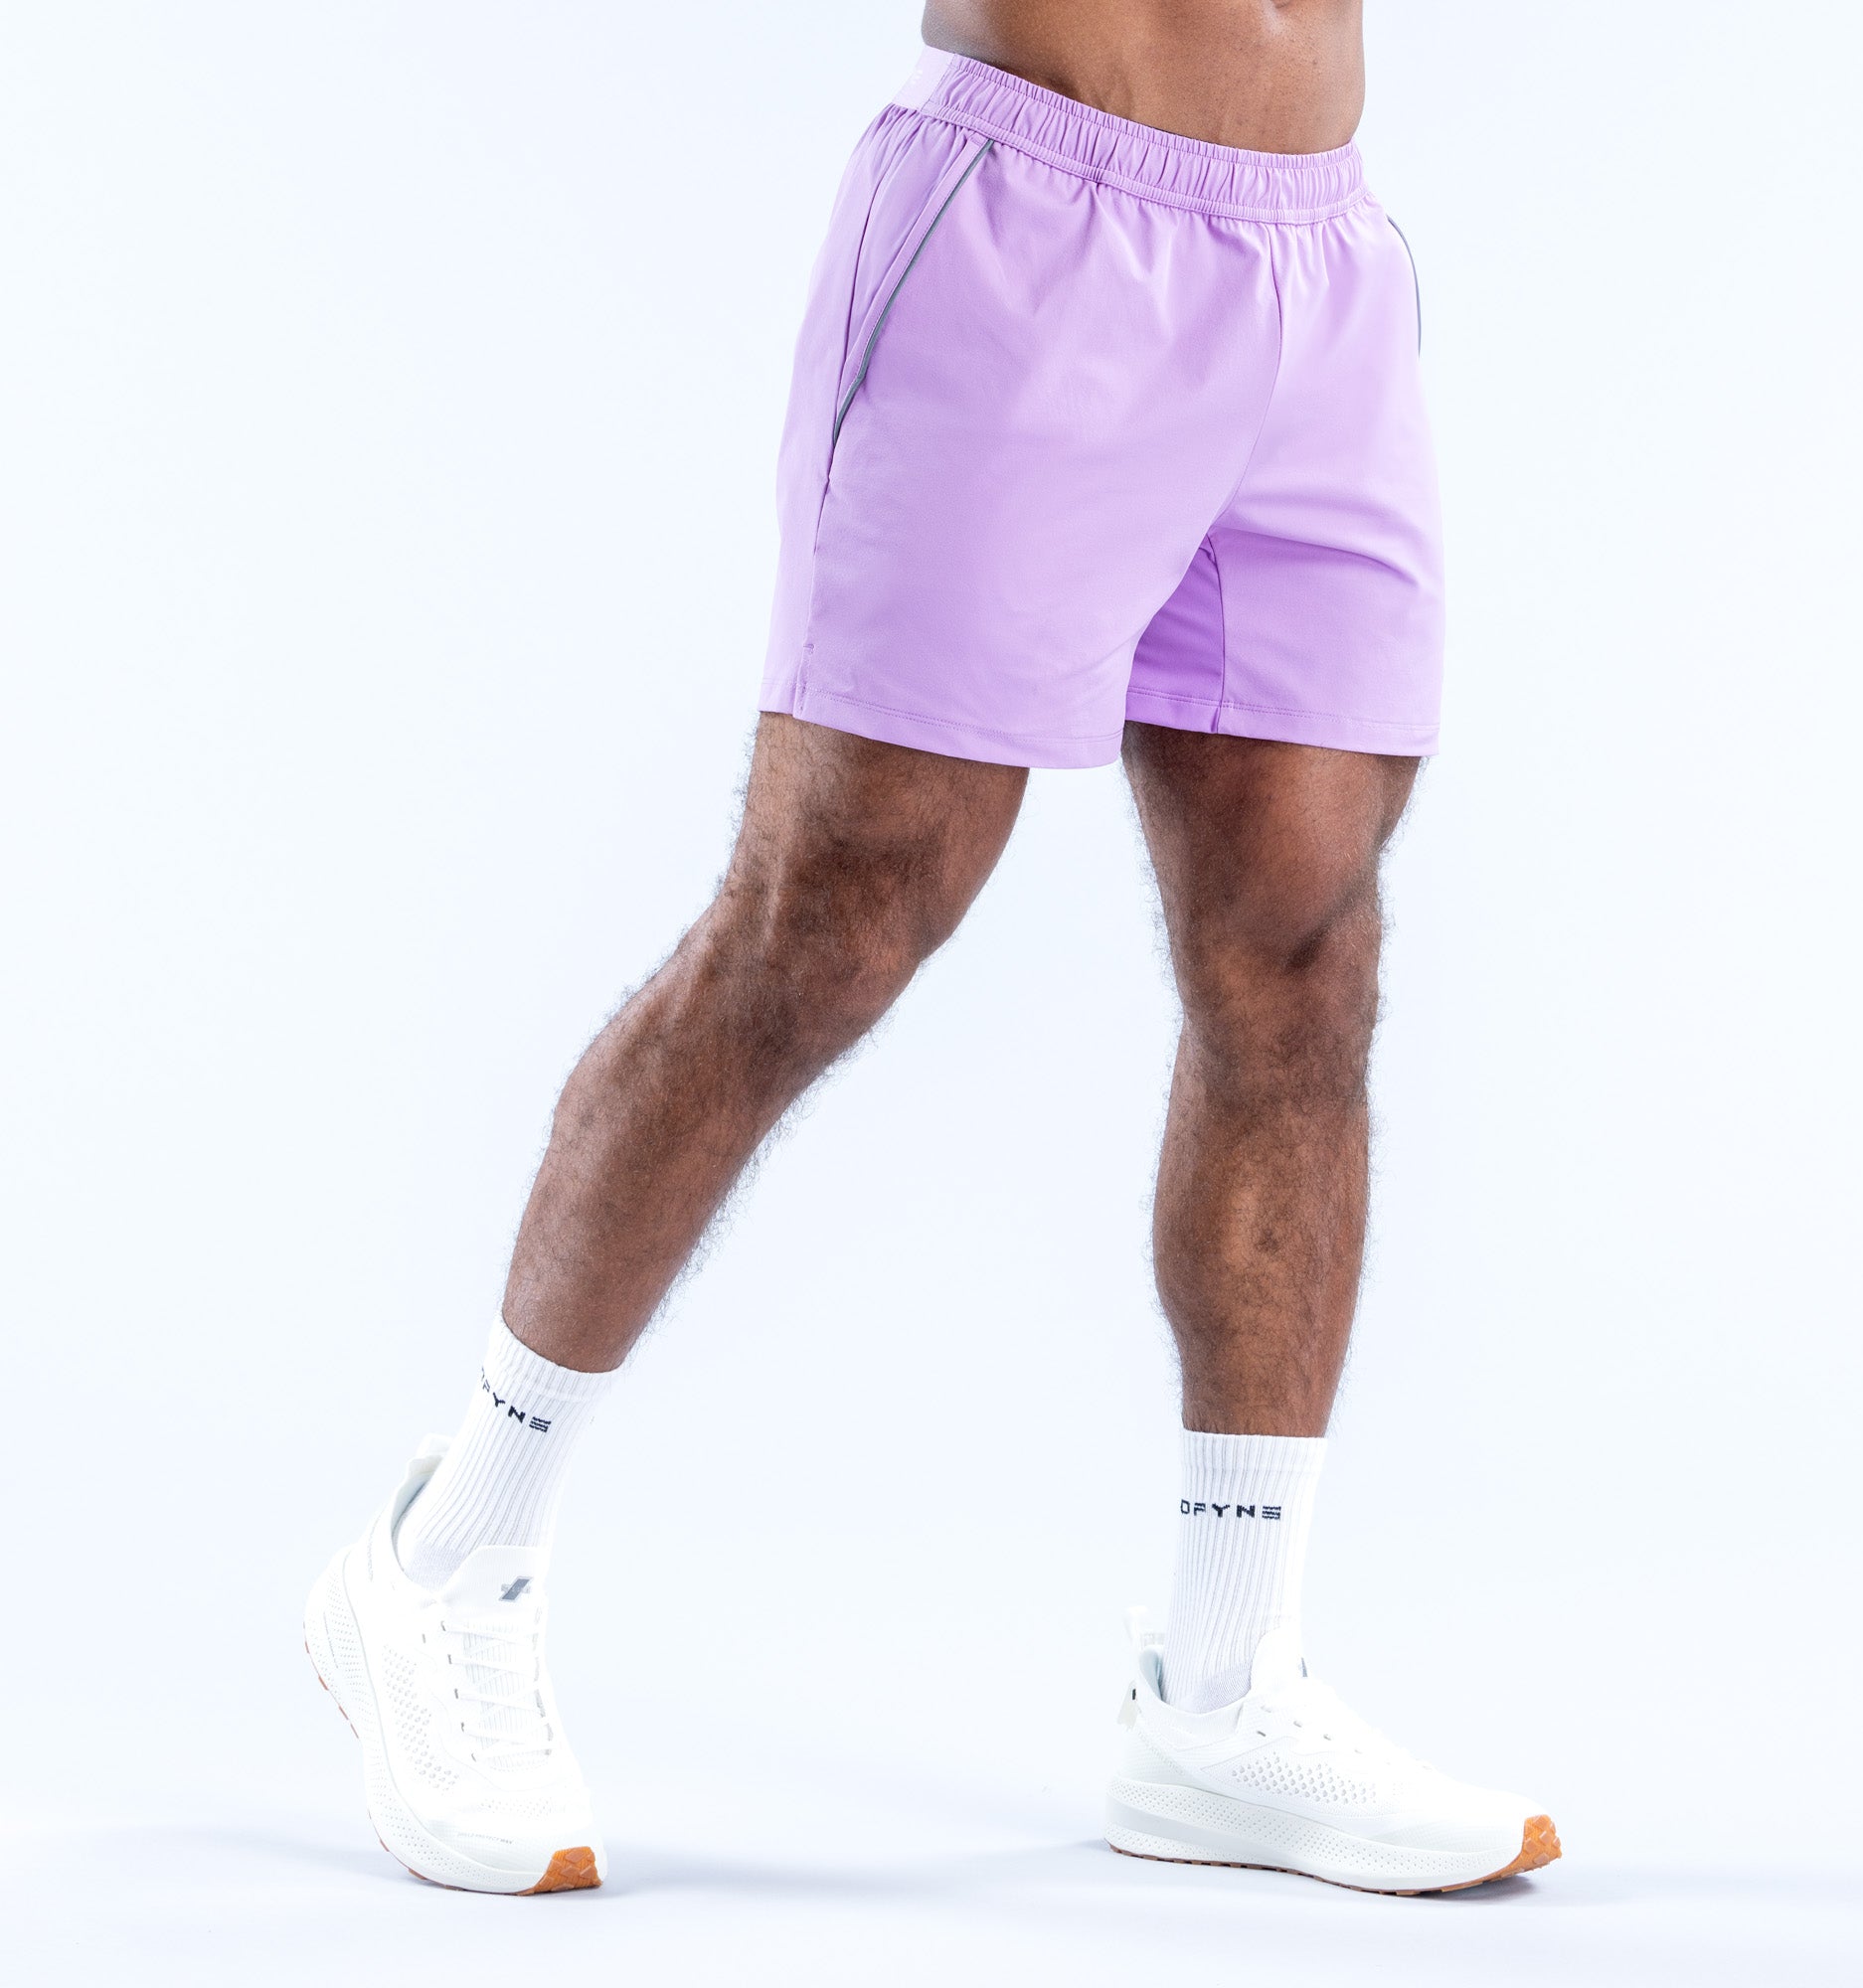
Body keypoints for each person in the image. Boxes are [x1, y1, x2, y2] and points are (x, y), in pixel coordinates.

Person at [304, 0, 1560, 1898]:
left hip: (1322, 265)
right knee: (829, 919)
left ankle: (1225, 1696)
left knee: (1302, 954)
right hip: (1035, 225)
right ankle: (442, 1564)